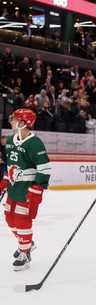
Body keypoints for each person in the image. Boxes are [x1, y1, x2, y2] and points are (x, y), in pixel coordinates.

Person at [0, 109, 51, 271]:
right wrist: (4, 182)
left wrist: (37, 189)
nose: (11, 121)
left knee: (22, 221)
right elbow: (10, 167)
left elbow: (44, 168)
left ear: (22, 123)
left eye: (14, 119)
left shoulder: (35, 143)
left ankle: (25, 252)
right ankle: (27, 243)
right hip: (14, 188)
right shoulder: (10, 142)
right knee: (9, 219)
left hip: (27, 190)